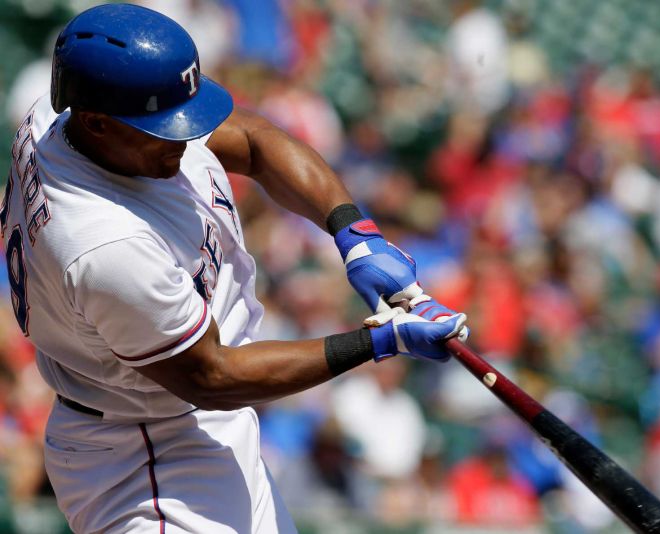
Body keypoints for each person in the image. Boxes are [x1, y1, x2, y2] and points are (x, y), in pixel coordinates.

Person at [3, 4, 467, 533]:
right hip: (145, 461)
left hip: (190, 426)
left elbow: (251, 139)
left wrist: (355, 235)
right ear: (96, 123)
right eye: (160, 127)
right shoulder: (105, 242)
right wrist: (380, 343)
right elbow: (212, 374)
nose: (182, 137)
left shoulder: (66, 116)